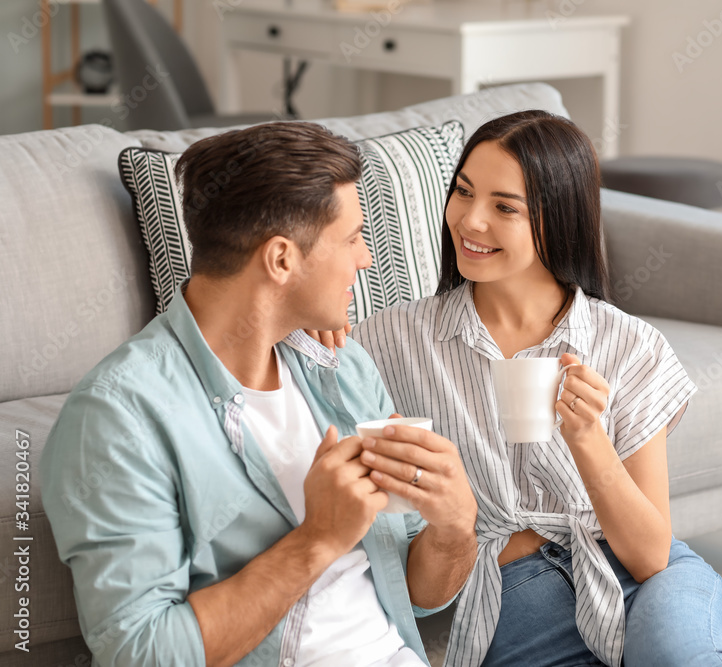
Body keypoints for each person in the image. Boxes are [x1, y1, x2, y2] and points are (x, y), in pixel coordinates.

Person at [349, 111, 722, 667]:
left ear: (558, 219)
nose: (471, 221)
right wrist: (320, 331)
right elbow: (418, 583)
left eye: (505, 207)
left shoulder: (629, 344)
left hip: (642, 577)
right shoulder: (392, 343)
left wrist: (589, 442)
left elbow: (651, 555)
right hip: (509, 599)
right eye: (464, 192)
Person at [39, 122, 478, 667]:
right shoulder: (118, 418)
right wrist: (317, 539)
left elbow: (418, 593)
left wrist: (456, 526)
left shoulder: (341, 367)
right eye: (351, 238)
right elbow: (142, 652)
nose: (365, 258)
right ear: (281, 260)